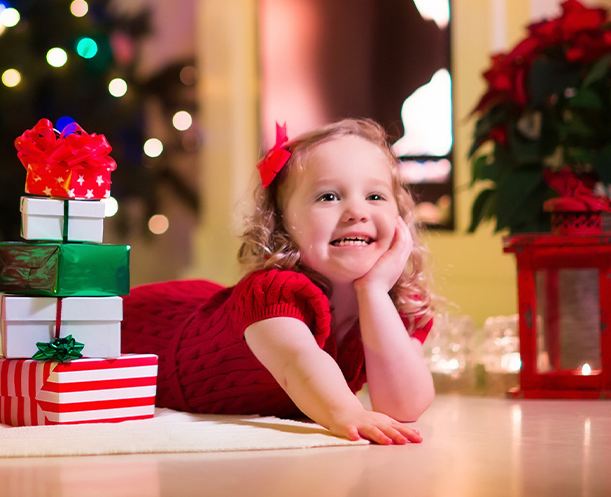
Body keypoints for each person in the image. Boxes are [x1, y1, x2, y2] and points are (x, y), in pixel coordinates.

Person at [122, 119, 435, 445]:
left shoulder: (397, 305)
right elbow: (297, 362)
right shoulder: (271, 294)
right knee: (79, 341)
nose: (356, 211)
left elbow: (404, 406)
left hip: (206, 318)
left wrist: (372, 292)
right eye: (328, 197)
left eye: (375, 196)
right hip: (164, 339)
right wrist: (347, 412)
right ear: (282, 225)